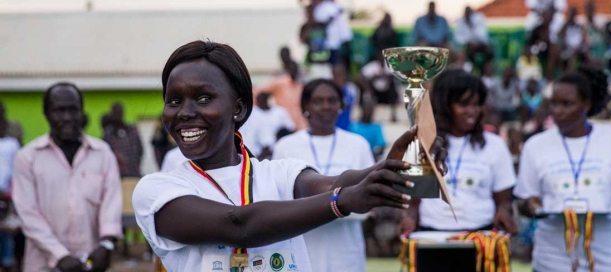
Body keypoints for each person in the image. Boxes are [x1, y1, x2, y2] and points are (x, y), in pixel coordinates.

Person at [132, 41, 444, 271]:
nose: (185, 113)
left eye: (203, 98)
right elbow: (239, 225)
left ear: (238, 108)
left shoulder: (279, 173)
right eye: (173, 101)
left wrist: (396, 167)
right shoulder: (157, 191)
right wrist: (344, 200)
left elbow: (333, 183)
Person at [515, 66, 611, 272]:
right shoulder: (535, 145)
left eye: (566, 104)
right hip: (553, 259)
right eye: (554, 103)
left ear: (586, 104)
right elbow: (524, 199)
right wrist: (533, 207)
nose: (557, 111)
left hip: (610, 256)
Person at [13, 82, 122, 272]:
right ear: (46, 114)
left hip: (91, 263)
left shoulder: (103, 153)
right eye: (59, 111)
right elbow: (27, 214)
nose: (67, 118)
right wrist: (59, 255)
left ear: (82, 112)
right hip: (42, 265)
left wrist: (106, 244)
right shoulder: (27, 158)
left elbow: (111, 202)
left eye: (73, 110)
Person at [273, 78, 375, 271]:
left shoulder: (358, 144)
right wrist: (341, 202)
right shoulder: (286, 146)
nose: (325, 106)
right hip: (303, 247)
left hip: (345, 250)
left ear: (341, 105)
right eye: (318, 101)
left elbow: (369, 199)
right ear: (305, 106)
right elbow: (281, 201)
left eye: (332, 100)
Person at [402, 69, 517, 236]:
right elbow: (413, 203)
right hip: (431, 238)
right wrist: (409, 218)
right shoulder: (422, 144)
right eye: (464, 104)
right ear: (444, 106)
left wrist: (504, 213)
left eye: (477, 104)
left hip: (481, 239)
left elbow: (504, 202)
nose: (472, 111)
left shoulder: (495, 145)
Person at [239, 92, 295, 159]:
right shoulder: (252, 113)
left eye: (265, 99)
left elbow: (291, 129)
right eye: (260, 100)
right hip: (257, 151)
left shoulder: (279, 111)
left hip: (278, 145)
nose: (263, 102)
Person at [0, 101, 20, 270]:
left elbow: (17, 173)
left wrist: (9, 195)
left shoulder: (11, 145)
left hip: (7, 199)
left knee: (7, 237)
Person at [103, 102, 144, 178]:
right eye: (115, 112)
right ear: (112, 114)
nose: (118, 114)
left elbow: (140, 150)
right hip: (116, 177)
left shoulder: (132, 131)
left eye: (119, 112)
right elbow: (105, 155)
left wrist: (134, 163)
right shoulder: (108, 134)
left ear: (123, 113)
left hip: (133, 174)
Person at [454, 6, 492, 74]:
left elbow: (482, 35)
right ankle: (471, 70)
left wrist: (471, 25)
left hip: (480, 45)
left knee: (489, 52)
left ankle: (484, 71)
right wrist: (468, 42)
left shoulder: (478, 19)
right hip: (468, 46)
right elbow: (458, 38)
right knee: (468, 53)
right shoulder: (461, 21)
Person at [349, 95, 386, 161]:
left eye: (371, 109)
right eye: (366, 108)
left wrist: (371, 155)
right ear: (362, 109)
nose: (368, 111)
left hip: (372, 159)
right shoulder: (353, 126)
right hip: (355, 158)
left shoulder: (377, 127)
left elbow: (381, 147)